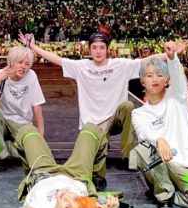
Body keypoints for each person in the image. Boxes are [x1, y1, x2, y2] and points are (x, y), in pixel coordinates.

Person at [21, 31, 153, 184]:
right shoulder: (81, 67)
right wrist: (33, 46)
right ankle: (101, 152)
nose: (98, 51)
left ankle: (128, 155)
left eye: (102, 47)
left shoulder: (120, 65)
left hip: (114, 120)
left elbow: (145, 61)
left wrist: (171, 55)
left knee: (129, 106)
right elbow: (57, 60)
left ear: (107, 49)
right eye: (94, 47)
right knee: (93, 161)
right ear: (89, 50)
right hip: (91, 125)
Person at [131, 40, 188, 208]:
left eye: (159, 75)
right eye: (149, 76)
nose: (155, 79)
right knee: (142, 149)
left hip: (184, 164)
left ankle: (174, 193)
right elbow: (143, 132)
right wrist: (159, 140)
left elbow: (179, 79)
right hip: (160, 162)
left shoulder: (177, 97)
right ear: (142, 81)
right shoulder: (139, 113)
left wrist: (172, 58)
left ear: (166, 79)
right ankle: (163, 193)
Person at [15, 121, 118, 208]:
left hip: (43, 172)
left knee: (28, 131)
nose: (67, 197)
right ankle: (97, 178)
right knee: (91, 131)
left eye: (67, 207)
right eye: (75, 199)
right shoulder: (84, 206)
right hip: (77, 174)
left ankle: (28, 168)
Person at [0, 45, 46, 172]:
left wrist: (40, 134)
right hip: (3, 122)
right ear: (10, 62)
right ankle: (0, 156)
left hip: (22, 124)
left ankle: (7, 147)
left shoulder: (31, 75)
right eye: (20, 62)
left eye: (27, 64)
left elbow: (37, 104)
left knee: (29, 153)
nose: (24, 67)